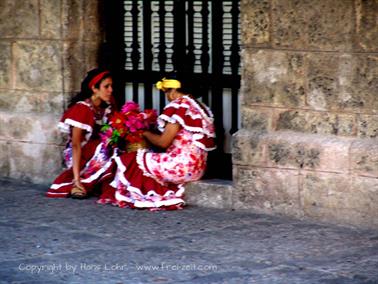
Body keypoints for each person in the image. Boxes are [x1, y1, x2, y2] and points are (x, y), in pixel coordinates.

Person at [98, 72, 216, 210]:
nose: (167, 97)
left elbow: (163, 142)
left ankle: (137, 195)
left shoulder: (180, 106)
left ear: (173, 91)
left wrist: (144, 132)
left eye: (166, 92)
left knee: (132, 158)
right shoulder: (199, 107)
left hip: (180, 167)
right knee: (148, 158)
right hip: (198, 169)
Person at [47, 68, 116, 199]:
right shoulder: (82, 109)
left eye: (111, 86)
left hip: (96, 149)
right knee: (105, 148)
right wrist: (76, 179)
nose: (110, 90)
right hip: (79, 153)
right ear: (94, 89)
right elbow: (76, 145)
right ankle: (78, 183)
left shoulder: (107, 106)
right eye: (106, 86)